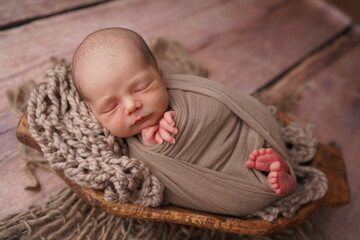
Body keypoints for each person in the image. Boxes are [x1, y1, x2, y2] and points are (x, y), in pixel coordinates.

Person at [71, 28, 296, 214]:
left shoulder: (185, 91)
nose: (131, 106)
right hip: (219, 185)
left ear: (159, 73)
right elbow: (151, 182)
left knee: (254, 143)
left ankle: (278, 165)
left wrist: (183, 121)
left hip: (237, 137)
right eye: (111, 107)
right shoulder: (118, 155)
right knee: (243, 193)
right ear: (93, 113)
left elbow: (219, 102)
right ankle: (273, 180)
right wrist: (153, 147)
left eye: (141, 88)